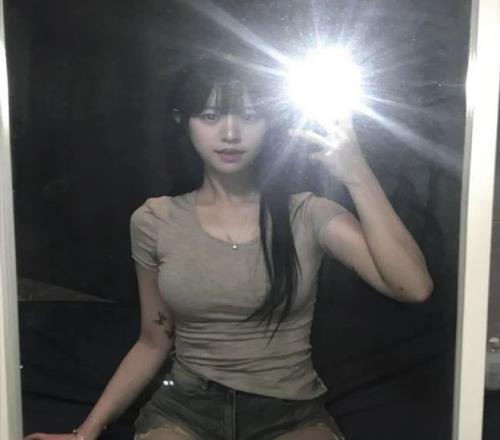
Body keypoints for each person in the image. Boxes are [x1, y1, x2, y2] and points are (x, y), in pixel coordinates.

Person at [25, 56, 433, 440]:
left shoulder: (307, 213)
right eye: (211, 116)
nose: (231, 133)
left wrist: (356, 172)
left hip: (289, 413)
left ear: (270, 124)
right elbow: (153, 340)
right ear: (184, 122)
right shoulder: (154, 220)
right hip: (185, 411)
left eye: (250, 116)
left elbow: (413, 287)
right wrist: (84, 433)